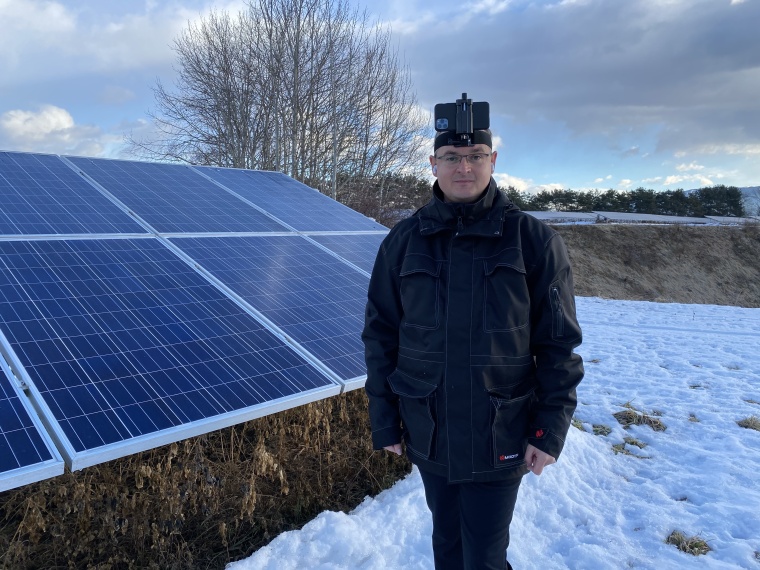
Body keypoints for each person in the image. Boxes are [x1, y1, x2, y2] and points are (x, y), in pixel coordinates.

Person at [362, 103, 584, 570]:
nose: (464, 167)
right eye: (452, 157)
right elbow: (381, 336)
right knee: (446, 544)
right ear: (433, 164)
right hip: (430, 429)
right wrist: (385, 420)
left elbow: (559, 345)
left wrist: (549, 430)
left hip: (500, 429)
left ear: (493, 160)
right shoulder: (403, 242)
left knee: (484, 553)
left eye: (476, 155)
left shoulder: (533, 240)